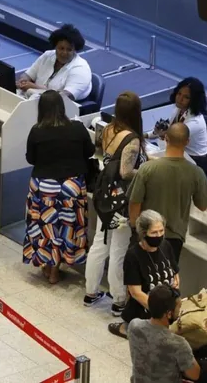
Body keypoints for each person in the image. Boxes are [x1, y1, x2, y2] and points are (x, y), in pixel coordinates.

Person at [84, 92, 147, 315]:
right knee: (119, 249)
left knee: (100, 242)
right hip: (121, 200)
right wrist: (147, 170)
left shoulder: (109, 129)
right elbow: (126, 171)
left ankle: (90, 291)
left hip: (104, 194)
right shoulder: (132, 139)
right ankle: (119, 299)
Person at [23, 90, 93, 283]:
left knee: (45, 227)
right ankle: (56, 268)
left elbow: (31, 158)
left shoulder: (37, 130)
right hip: (71, 187)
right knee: (67, 228)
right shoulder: (78, 128)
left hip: (43, 186)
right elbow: (90, 151)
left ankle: (47, 265)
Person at [128, 122, 207, 262]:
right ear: (187, 142)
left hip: (146, 233)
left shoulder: (147, 169)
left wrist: (137, 230)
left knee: (137, 279)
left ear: (166, 138)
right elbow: (202, 205)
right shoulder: (197, 173)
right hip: (174, 238)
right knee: (165, 280)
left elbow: (134, 203)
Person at [108, 210, 180, 340]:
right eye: (154, 232)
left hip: (167, 309)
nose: (159, 235)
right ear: (143, 233)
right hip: (145, 311)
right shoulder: (133, 255)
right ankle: (126, 328)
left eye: (161, 231)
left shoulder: (166, 246)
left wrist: (175, 284)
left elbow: (175, 272)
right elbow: (135, 292)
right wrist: (160, 313)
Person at [127, 284, 200, 383]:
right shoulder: (178, 344)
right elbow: (195, 375)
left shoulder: (134, 325)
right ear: (169, 314)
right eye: (179, 308)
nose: (180, 312)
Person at [17, 24, 92, 101]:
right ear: (55, 46)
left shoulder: (81, 69)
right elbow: (27, 75)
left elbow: (64, 96)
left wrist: (33, 87)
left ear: (75, 50)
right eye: (61, 48)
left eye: (69, 49)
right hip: (33, 99)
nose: (64, 53)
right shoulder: (47, 55)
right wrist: (23, 81)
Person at [150, 78, 207, 174]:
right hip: (180, 154)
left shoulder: (195, 122)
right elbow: (166, 130)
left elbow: (172, 139)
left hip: (194, 162)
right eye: (179, 94)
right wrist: (146, 135)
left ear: (194, 100)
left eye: (186, 97)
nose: (180, 99)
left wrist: (161, 135)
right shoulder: (178, 110)